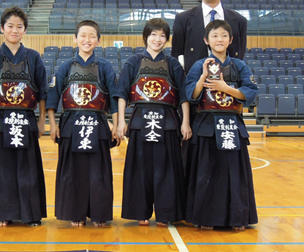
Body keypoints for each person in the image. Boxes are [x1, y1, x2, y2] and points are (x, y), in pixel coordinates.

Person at [113, 18, 192, 227]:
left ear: (167, 39)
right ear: (146, 36)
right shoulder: (134, 61)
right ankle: (141, 211)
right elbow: (121, 93)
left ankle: (167, 212)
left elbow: (183, 95)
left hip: (168, 122)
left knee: (168, 169)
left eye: (162, 36)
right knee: (140, 169)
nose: (158, 39)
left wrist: (185, 122)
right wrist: (122, 121)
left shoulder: (173, 63)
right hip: (140, 121)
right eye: (154, 34)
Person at [0, 7, 47, 227]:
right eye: (10, 26)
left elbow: (42, 91)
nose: (14, 30)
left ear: (25, 30)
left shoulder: (33, 57)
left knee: (28, 169)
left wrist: (42, 119)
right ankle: (0, 211)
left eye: (19, 26)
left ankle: (30, 213)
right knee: (0, 169)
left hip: (26, 121)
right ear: (1, 29)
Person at [184, 20, 258, 231]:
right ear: (207, 40)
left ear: (231, 40)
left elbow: (251, 93)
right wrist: (203, 78)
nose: (219, 39)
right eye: (215, 36)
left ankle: (238, 217)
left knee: (235, 173)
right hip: (207, 125)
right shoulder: (199, 65)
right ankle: (206, 217)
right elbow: (191, 94)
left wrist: (225, 88)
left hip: (232, 124)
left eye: (224, 36)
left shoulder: (239, 65)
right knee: (206, 172)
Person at [47, 20, 119, 227]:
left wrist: (115, 123)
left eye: (92, 36)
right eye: (83, 36)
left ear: (98, 40)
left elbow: (114, 97)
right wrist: (53, 124)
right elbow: (53, 95)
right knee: (73, 173)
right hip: (71, 123)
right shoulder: (66, 66)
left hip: (97, 123)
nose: (87, 40)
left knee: (99, 173)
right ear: (75, 38)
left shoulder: (104, 66)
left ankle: (99, 214)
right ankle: (75, 214)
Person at [171, 0, 247, 74]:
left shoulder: (239, 20)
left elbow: (240, 55)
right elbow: (177, 56)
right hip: (194, 84)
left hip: (228, 85)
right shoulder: (183, 19)